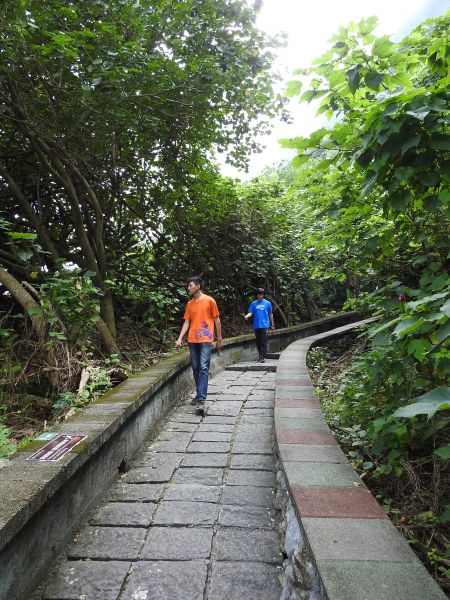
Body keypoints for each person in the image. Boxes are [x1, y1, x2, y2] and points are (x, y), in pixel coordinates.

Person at [175, 276, 222, 407]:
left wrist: (219, 339)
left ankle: (201, 397)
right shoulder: (189, 304)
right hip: (192, 340)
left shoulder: (210, 301)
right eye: (188, 286)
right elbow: (187, 322)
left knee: (203, 367)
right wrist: (179, 338)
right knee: (195, 368)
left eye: (190, 285)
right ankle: (199, 393)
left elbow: (217, 321)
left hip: (206, 340)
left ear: (198, 286)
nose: (188, 288)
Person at [244, 288, 275, 363]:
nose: (260, 296)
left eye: (261, 294)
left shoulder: (267, 303)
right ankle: (260, 355)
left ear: (263, 295)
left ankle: (262, 357)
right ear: (257, 295)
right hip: (257, 325)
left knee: (263, 341)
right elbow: (250, 312)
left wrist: (272, 325)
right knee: (258, 341)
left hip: (265, 325)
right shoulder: (254, 303)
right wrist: (247, 316)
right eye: (258, 294)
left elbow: (270, 314)